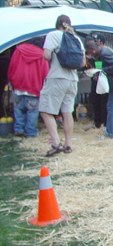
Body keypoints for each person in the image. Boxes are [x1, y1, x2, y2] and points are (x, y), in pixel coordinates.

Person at [40, 15, 86, 156]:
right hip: (72, 80)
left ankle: (56, 143)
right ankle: (68, 144)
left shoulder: (53, 35)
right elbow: (83, 63)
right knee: (67, 112)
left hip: (57, 77)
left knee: (45, 109)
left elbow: (46, 55)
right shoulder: (76, 39)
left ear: (57, 24)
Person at [85, 39, 113, 140]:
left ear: (92, 49)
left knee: (111, 107)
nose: (88, 54)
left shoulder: (104, 53)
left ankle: (110, 133)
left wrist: (101, 71)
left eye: (88, 52)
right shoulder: (101, 53)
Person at [7, 38, 49, 138]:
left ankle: (18, 130)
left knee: (18, 110)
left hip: (18, 87)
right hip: (34, 89)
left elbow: (11, 67)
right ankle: (30, 132)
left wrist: (11, 82)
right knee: (32, 112)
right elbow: (45, 73)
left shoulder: (18, 50)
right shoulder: (41, 55)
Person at [86, 33, 109, 131]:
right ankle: (97, 122)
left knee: (104, 101)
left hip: (104, 79)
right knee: (94, 100)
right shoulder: (93, 53)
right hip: (95, 78)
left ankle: (105, 123)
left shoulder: (105, 52)